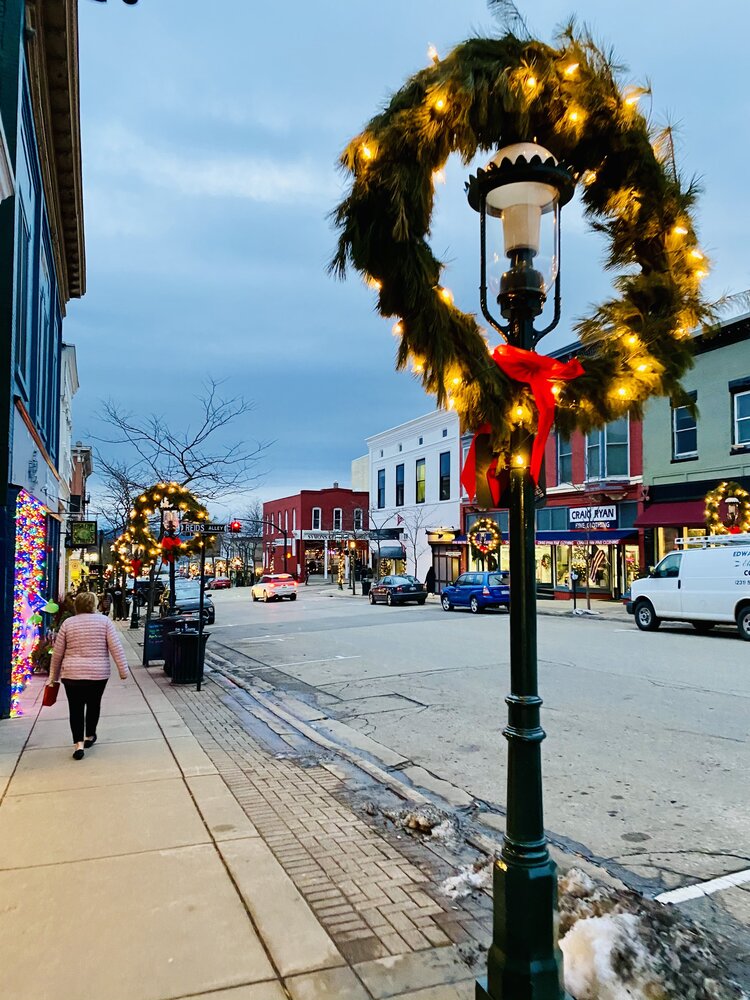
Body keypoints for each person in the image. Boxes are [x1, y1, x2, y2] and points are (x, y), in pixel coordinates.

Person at [48, 592, 129, 760]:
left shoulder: (68, 624)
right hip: (98, 674)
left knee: (75, 708)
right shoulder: (104, 622)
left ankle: (78, 744)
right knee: (93, 704)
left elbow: (57, 653)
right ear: (94, 605)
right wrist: (123, 670)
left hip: (72, 675)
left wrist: (53, 677)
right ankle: (90, 735)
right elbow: (116, 647)